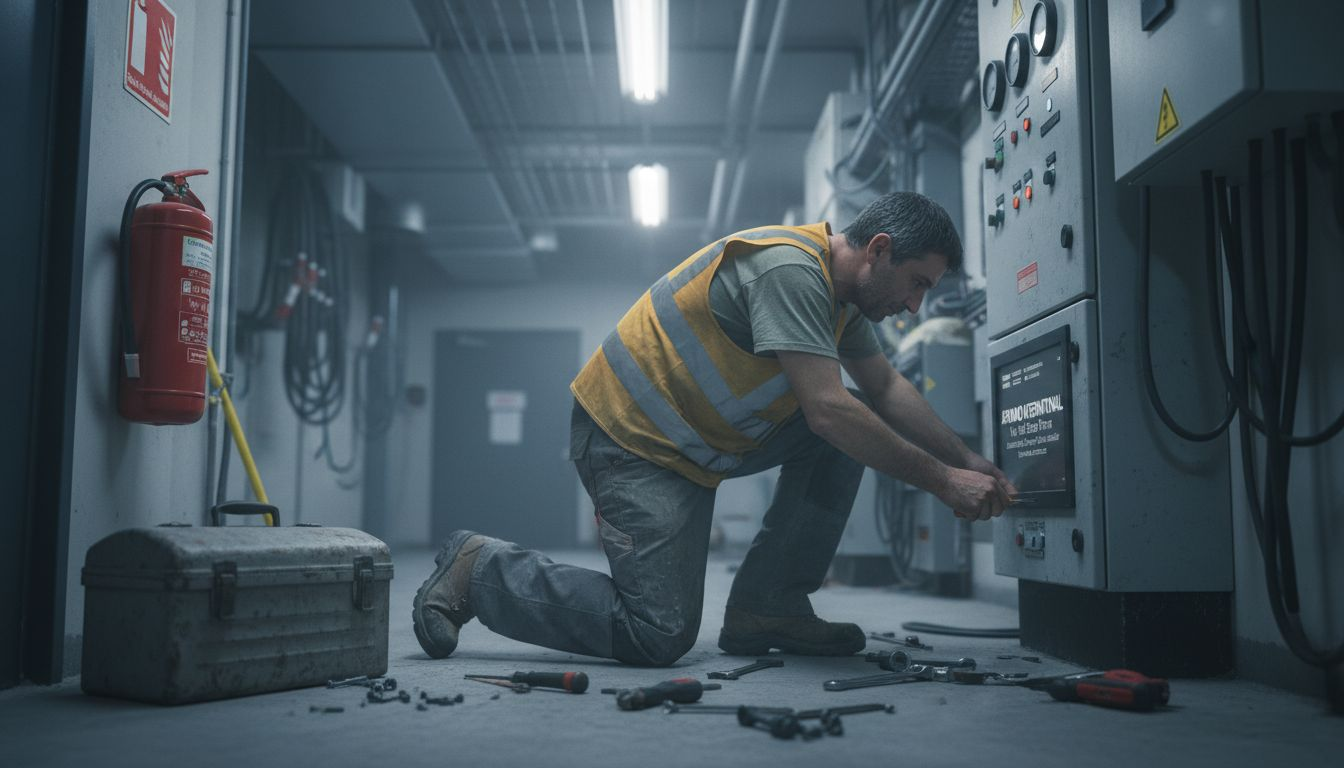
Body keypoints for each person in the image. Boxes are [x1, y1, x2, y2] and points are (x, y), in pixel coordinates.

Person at [412, 192, 1016, 667]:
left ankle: (768, 607)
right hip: (632, 442)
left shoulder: (841, 300)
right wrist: (943, 483)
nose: (915, 306)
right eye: (918, 284)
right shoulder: (788, 269)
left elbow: (884, 389)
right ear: (879, 250)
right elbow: (827, 412)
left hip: (695, 446)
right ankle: (479, 570)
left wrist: (967, 459)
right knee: (656, 634)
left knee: (852, 416)